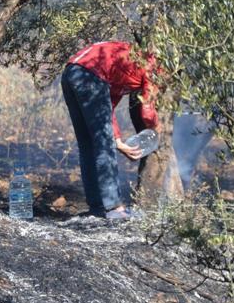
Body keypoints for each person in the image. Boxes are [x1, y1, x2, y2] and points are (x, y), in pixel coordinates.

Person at [61, 41, 161, 219]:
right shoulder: (155, 66)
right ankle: (114, 207)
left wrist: (118, 140)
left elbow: (108, 111)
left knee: (89, 144)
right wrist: (156, 129)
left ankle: (98, 205)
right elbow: (147, 109)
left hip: (71, 72)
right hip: (90, 74)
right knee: (103, 145)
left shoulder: (125, 70)